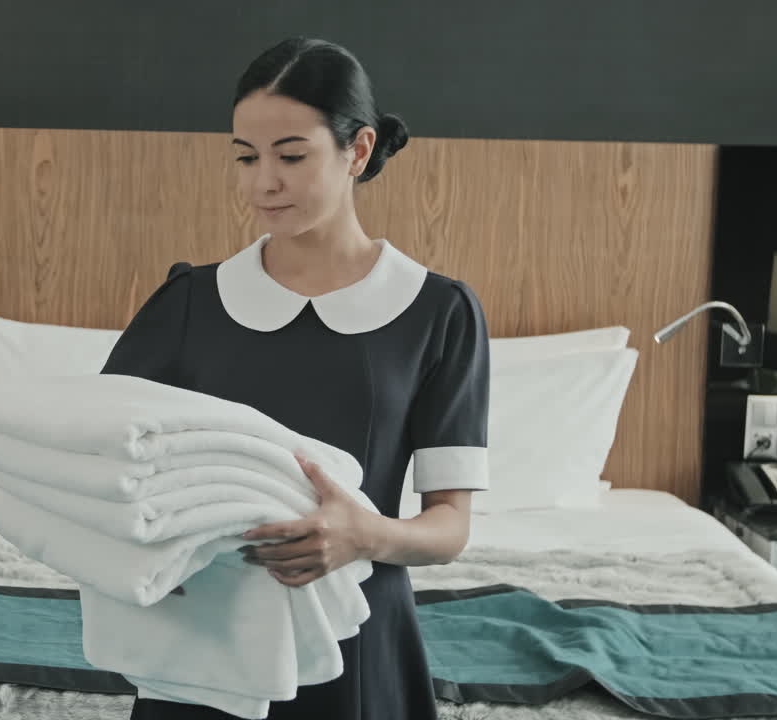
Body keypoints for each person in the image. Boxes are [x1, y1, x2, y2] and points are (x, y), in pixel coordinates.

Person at [99, 37, 490, 719]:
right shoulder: (188, 305)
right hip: (206, 638)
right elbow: (102, 463)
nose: (262, 183)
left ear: (358, 150)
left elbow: (450, 525)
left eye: (290, 156)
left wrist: (365, 536)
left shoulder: (437, 313)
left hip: (357, 637)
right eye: (246, 158)